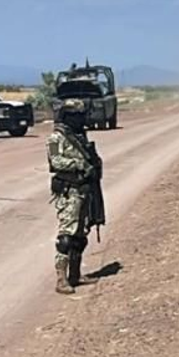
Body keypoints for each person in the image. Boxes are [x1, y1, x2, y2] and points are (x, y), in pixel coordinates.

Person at [47, 98, 105, 294]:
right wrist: (80, 165)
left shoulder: (79, 136)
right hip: (69, 191)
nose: (80, 119)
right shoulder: (56, 138)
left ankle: (75, 275)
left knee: (80, 236)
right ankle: (61, 279)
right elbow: (56, 161)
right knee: (66, 237)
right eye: (76, 116)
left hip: (84, 190)